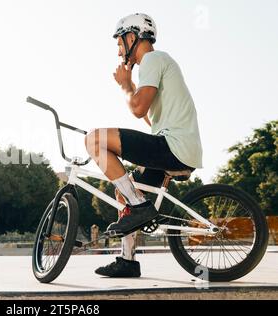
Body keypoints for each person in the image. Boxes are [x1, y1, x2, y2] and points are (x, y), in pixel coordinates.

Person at [84, 13, 203, 277]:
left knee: (95, 139)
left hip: (174, 146)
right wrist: (131, 87)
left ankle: (139, 207)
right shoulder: (158, 63)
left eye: (119, 43)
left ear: (131, 36)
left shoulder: (152, 58)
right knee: (124, 192)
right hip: (174, 146)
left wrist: (127, 86)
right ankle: (128, 261)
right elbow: (150, 118)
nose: (118, 51)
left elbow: (137, 108)